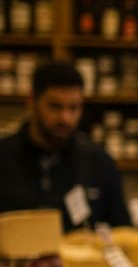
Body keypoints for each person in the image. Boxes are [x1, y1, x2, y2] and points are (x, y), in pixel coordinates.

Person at [0, 61, 130, 230]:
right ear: (32, 101)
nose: (65, 118)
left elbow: (123, 233)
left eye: (74, 108)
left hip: (81, 256)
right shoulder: (3, 157)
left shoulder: (99, 162)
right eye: (55, 107)